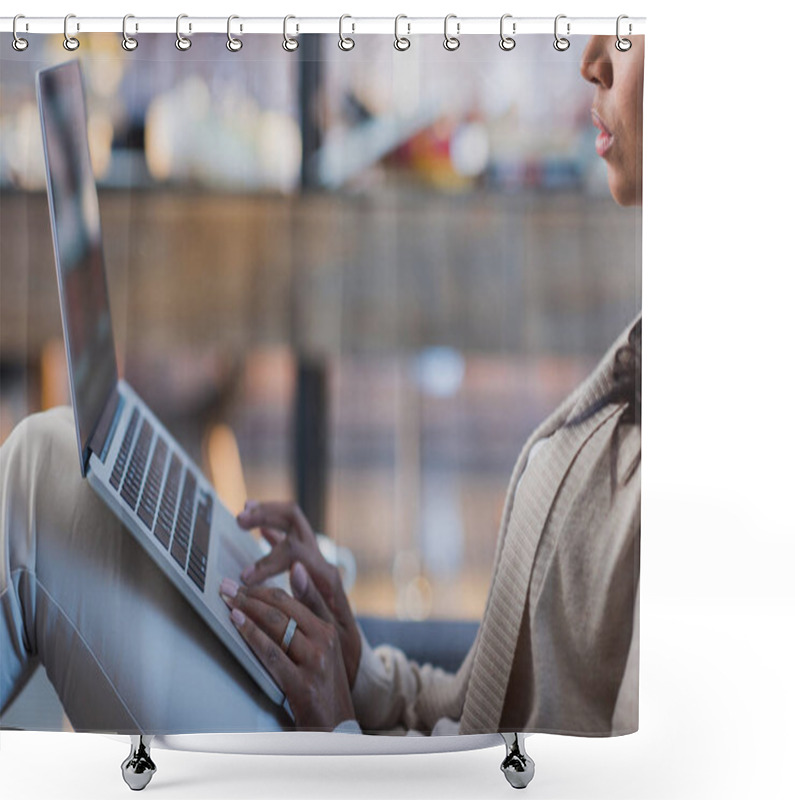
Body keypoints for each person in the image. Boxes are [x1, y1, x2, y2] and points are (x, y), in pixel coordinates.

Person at [0, 34, 642, 736]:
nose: (593, 58)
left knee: (39, 473)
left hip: (361, 778)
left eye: (634, 30)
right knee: (56, 452)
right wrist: (356, 665)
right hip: (377, 756)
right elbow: (482, 712)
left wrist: (339, 742)